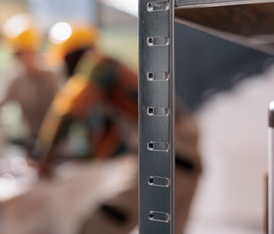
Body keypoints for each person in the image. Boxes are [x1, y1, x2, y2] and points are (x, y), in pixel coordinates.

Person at [32, 21, 201, 234]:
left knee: (95, 228)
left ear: (74, 55)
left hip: (167, 158)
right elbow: (105, 143)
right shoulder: (113, 80)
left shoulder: (97, 65)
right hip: (180, 158)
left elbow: (66, 112)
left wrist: (44, 159)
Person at [0, 13, 60, 156]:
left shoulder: (51, 76)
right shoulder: (16, 79)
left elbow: (58, 112)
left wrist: (51, 146)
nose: (23, 57)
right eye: (18, 53)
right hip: (31, 140)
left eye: (26, 52)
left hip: (55, 141)